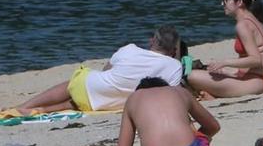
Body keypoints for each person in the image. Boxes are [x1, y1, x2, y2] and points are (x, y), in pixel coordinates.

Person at [14, 27, 187, 114]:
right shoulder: (175, 66)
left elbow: (106, 70)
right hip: (112, 104)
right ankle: (43, 110)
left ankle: (25, 106)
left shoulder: (130, 49)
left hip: (90, 90)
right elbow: (172, 94)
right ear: (173, 50)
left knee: (75, 83)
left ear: (152, 41)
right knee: (88, 99)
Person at [99, 76, 222, 146]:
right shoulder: (180, 91)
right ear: (165, 87)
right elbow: (213, 126)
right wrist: (196, 141)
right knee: (193, 133)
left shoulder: (133, 98)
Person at [185, 0, 263, 99]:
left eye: (226, 0)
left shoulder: (243, 25)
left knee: (191, 76)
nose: (222, 3)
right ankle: (210, 95)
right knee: (210, 73)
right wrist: (227, 72)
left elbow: (256, 60)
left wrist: (224, 62)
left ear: (239, 2)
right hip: (259, 80)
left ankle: (209, 95)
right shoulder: (255, 21)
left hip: (255, 83)